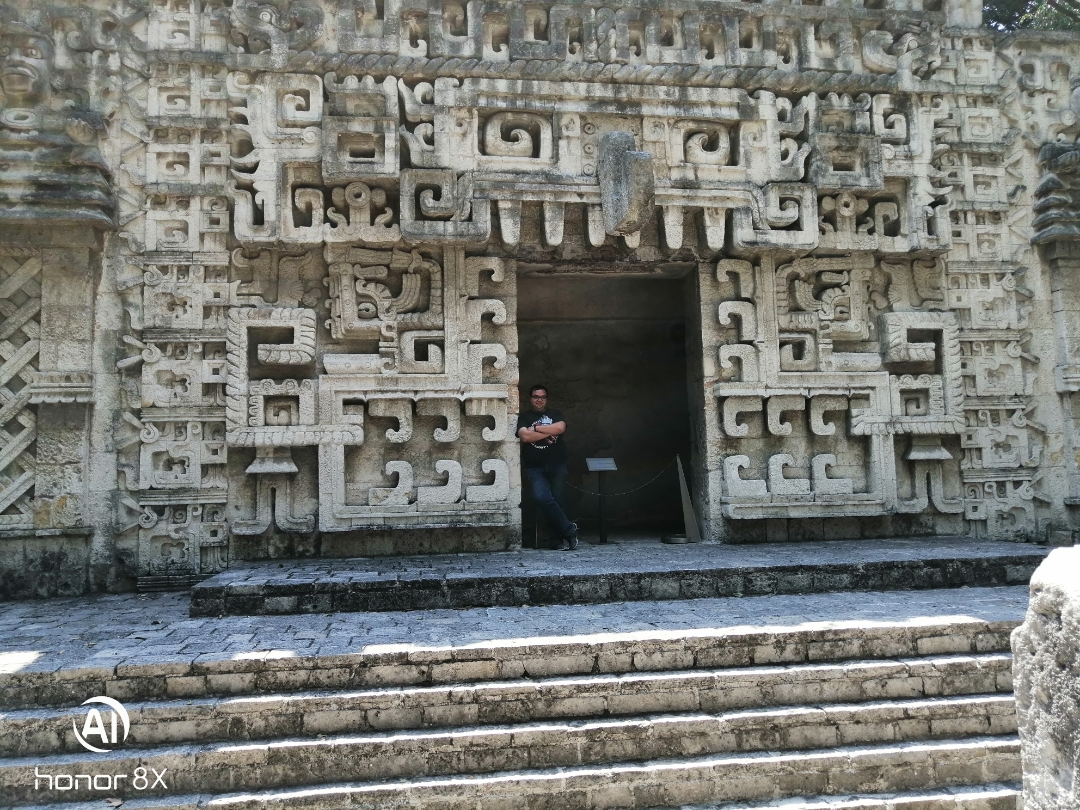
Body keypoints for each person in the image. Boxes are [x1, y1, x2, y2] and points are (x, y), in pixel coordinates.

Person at [516, 384, 579, 550]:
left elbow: (560, 428)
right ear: (530, 399)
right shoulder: (524, 417)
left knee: (558, 501)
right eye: (536, 397)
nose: (539, 400)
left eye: (542, 397)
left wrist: (536, 428)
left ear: (546, 399)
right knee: (542, 498)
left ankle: (556, 541)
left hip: (557, 464)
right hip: (535, 467)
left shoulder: (555, 414)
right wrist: (548, 432)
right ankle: (569, 529)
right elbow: (524, 436)